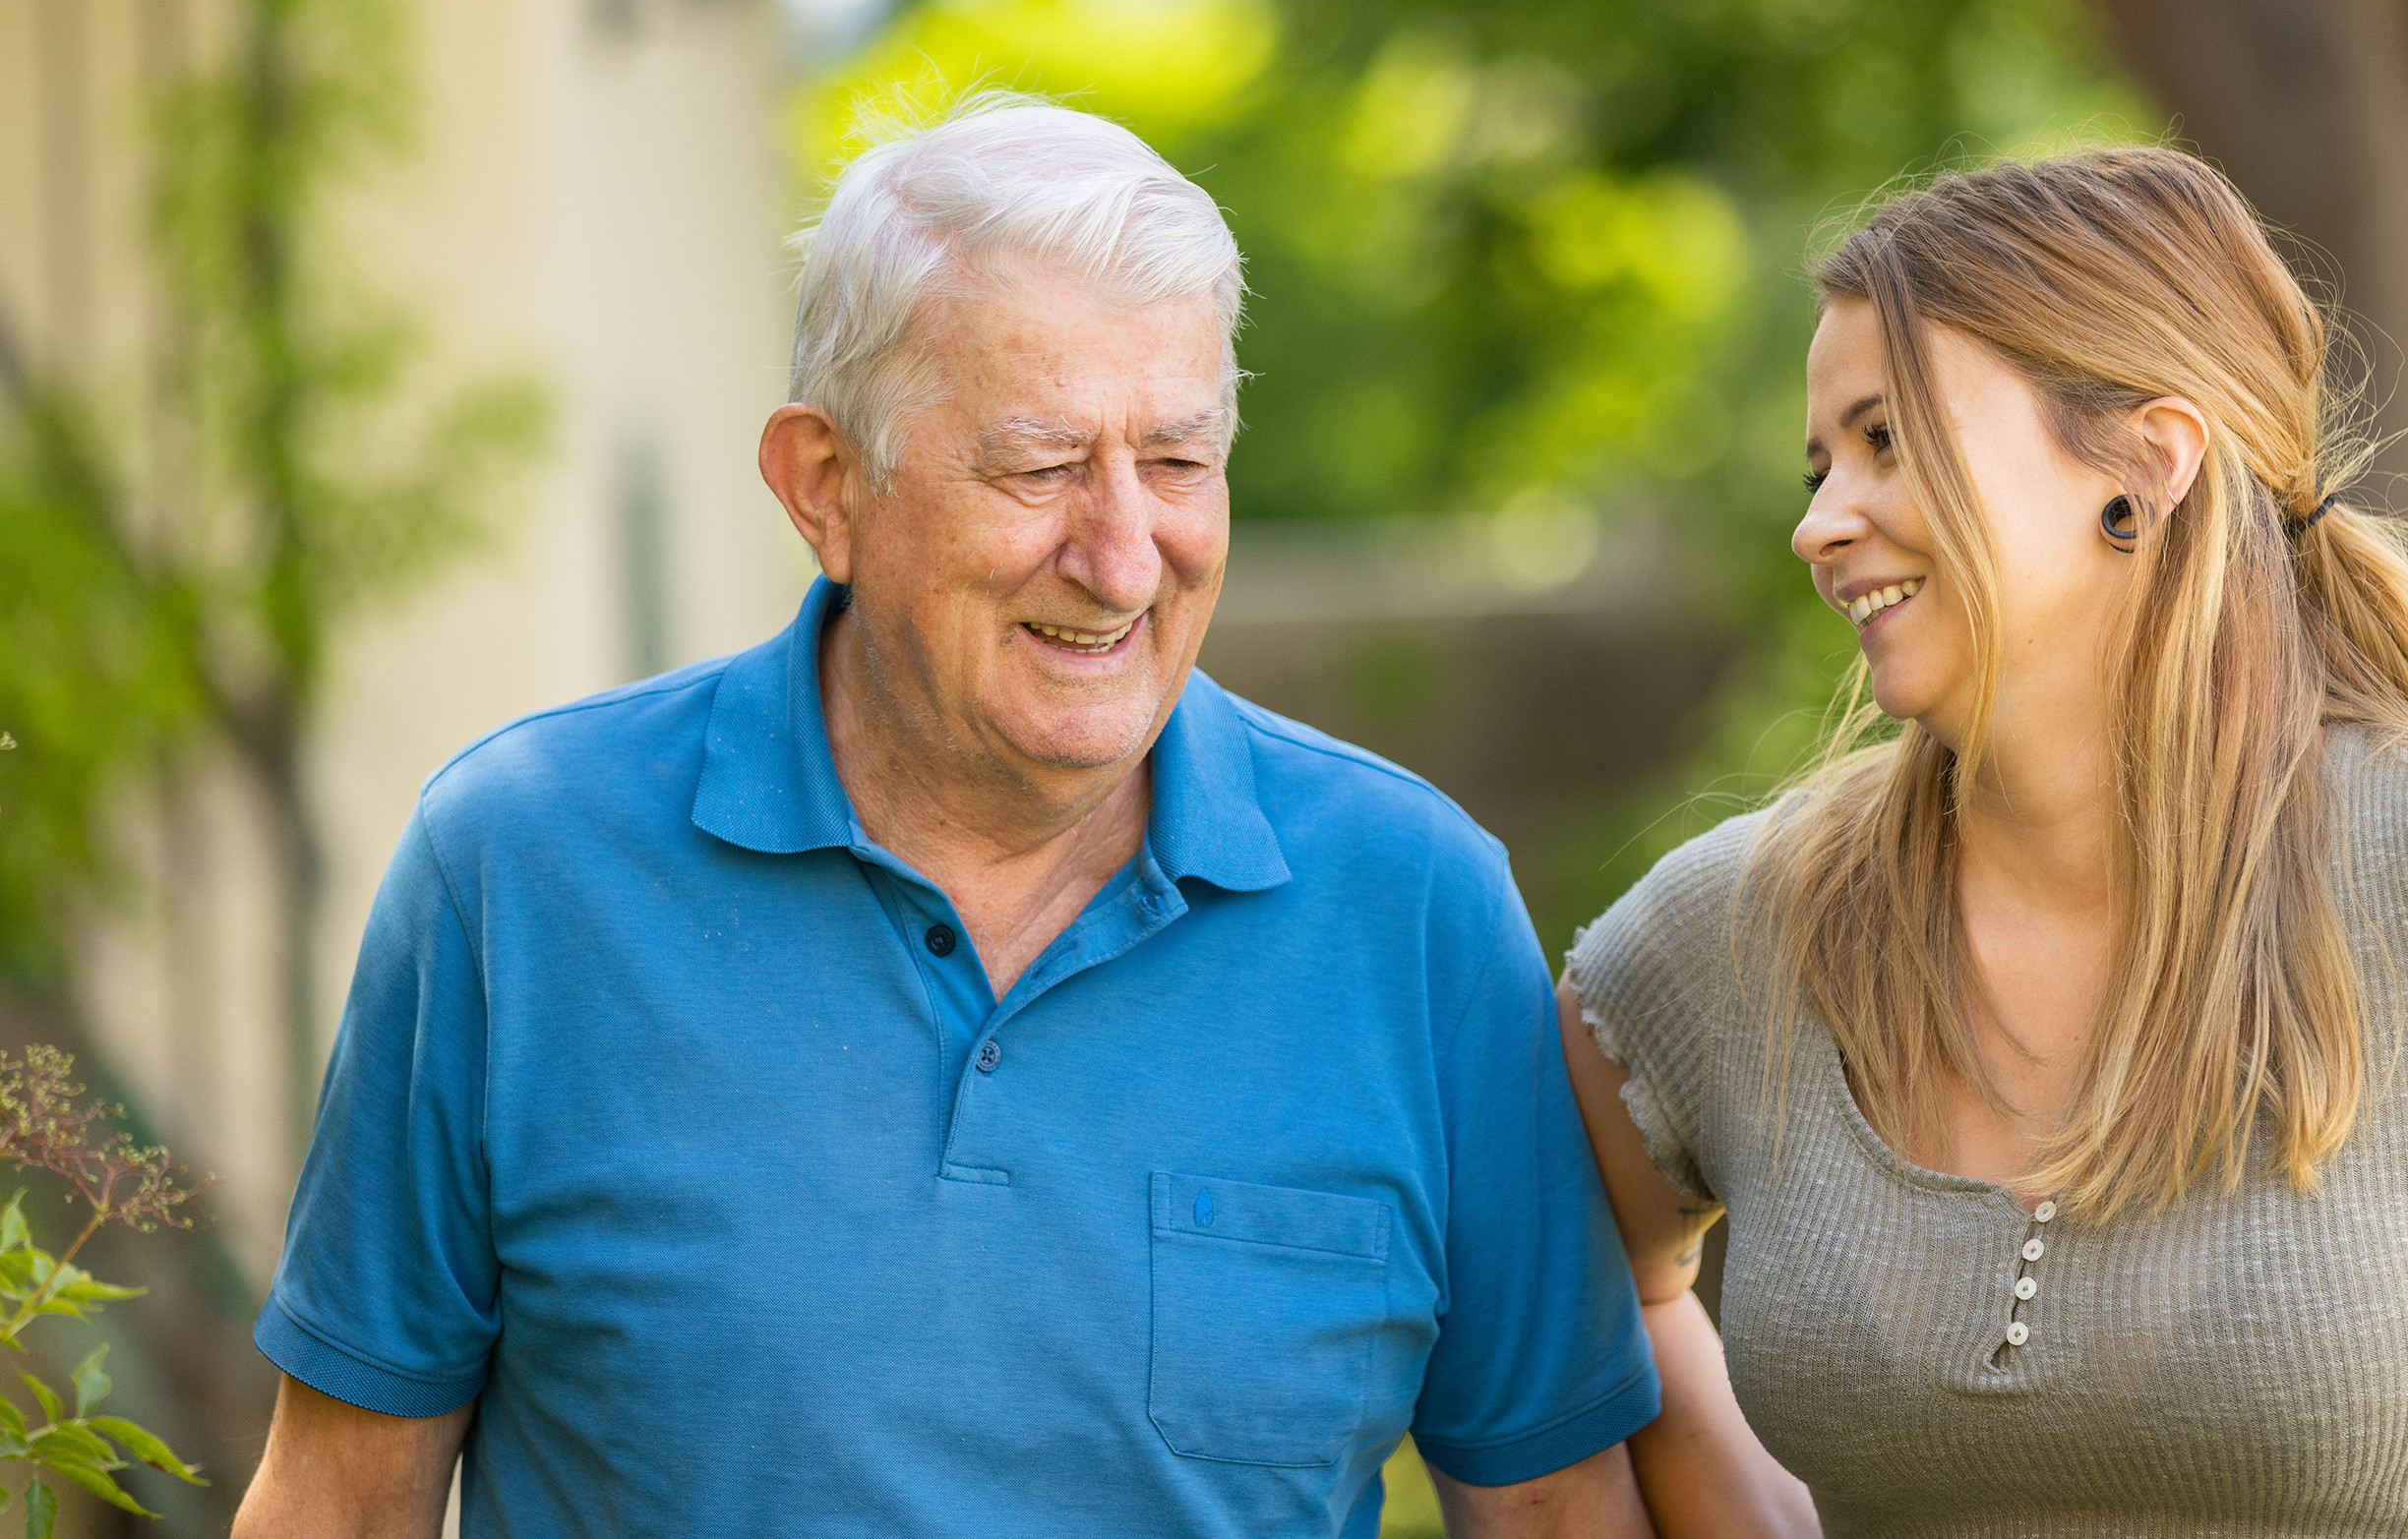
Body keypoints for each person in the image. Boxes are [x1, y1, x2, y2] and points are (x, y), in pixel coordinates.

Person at [232, 95, 1659, 1538]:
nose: (1119, 559)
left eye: (1175, 461)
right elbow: (340, 1508)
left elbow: (1552, 1506)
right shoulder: (518, 868)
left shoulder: (1415, 908)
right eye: (1037, 466)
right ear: (828, 485)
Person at [1559, 148, 2408, 1538]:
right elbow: (1565, 1279)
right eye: (1819, 460)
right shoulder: (1739, 930)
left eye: (1888, 440)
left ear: (2147, 467)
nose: (1818, 522)